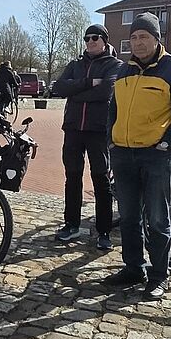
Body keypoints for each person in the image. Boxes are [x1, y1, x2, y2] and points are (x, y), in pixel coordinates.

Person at [105, 13, 171, 296]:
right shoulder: (123, 71)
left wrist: (166, 143)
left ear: (157, 39)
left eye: (144, 36)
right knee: (129, 217)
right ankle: (134, 268)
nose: (138, 42)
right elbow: (113, 110)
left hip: (156, 156)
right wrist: (111, 139)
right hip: (123, 154)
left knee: (157, 219)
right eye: (133, 37)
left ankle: (159, 275)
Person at [51, 23, 123, 250]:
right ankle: (71, 224)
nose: (90, 42)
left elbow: (106, 93)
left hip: (98, 130)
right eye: (87, 38)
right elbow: (59, 88)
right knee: (72, 177)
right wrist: (88, 83)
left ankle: (103, 231)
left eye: (95, 38)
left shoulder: (115, 65)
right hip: (73, 128)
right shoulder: (75, 64)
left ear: (105, 40)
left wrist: (77, 92)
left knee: (101, 179)